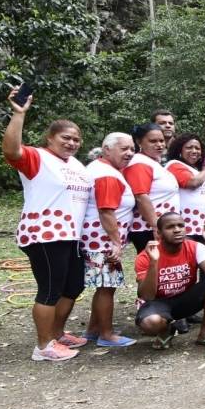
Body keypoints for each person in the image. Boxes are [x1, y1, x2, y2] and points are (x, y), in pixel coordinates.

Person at [2, 87, 92, 361]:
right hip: (44, 233)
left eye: (77, 139)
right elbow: (11, 150)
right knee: (50, 289)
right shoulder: (37, 157)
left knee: (74, 285)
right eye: (66, 138)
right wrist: (19, 114)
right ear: (50, 138)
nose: (72, 143)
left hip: (71, 235)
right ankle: (43, 347)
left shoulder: (76, 164)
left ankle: (57, 334)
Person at [135, 213, 205, 350]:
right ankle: (166, 330)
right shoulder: (145, 256)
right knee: (151, 323)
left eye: (180, 225)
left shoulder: (195, 247)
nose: (177, 229)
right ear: (159, 233)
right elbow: (147, 296)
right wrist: (154, 262)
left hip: (185, 298)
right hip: (158, 303)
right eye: (170, 227)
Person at [81, 132, 138, 347]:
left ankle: (94, 330)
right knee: (106, 285)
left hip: (100, 237)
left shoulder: (105, 170)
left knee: (105, 285)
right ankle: (106, 334)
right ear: (107, 149)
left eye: (132, 149)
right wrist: (116, 242)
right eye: (124, 149)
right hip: (102, 239)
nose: (129, 153)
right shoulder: (107, 175)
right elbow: (106, 211)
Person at [125, 123, 181, 252]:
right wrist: (156, 226)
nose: (159, 144)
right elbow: (140, 196)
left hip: (162, 226)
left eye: (161, 140)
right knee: (155, 267)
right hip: (149, 228)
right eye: (153, 141)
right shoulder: (139, 163)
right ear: (139, 142)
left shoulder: (152, 162)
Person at [164, 133, 205, 241]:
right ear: (179, 150)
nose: (194, 151)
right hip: (187, 227)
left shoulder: (196, 170)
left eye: (197, 148)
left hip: (204, 225)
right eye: (189, 147)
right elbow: (193, 183)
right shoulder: (174, 164)